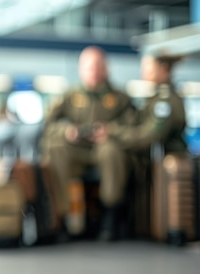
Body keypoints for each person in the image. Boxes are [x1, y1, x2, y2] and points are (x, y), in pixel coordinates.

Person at [41, 46, 136, 241]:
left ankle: (110, 217)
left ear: (105, 69)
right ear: (80, 69)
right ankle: (65, 218)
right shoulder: (70, 96)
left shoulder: (120, 98)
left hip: (104, 149)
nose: (92, 71)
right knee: (56, 147)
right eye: (87, 67)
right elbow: (49, 123)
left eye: (96, 66)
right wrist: (68, 131)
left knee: (111, 151)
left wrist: (109, 131)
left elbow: (132, 127)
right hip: (77, 150)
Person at [94, 55, 188, 156]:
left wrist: (113, 132)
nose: (143, 73)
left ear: (163, 69)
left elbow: (150, 135)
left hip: (170, 159)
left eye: (149, 69)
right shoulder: (154, 98)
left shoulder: (165, 101)